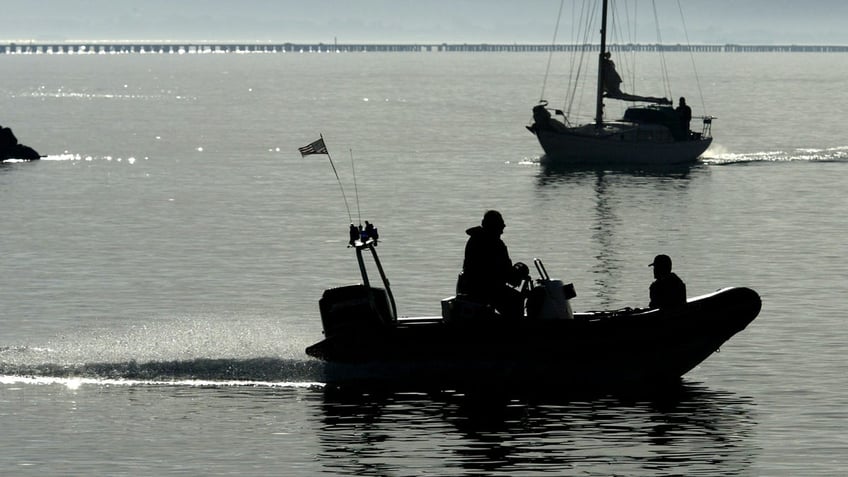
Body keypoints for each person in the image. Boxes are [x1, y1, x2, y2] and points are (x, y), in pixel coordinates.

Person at [458, 210, 528, 317]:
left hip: (469, 287)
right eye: (501, 226)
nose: (502, 231)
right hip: (485, 289)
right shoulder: (494, 244)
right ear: (494, 226)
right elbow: (505, 273)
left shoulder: (474, 239)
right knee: (516, 300)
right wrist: (519, 272)